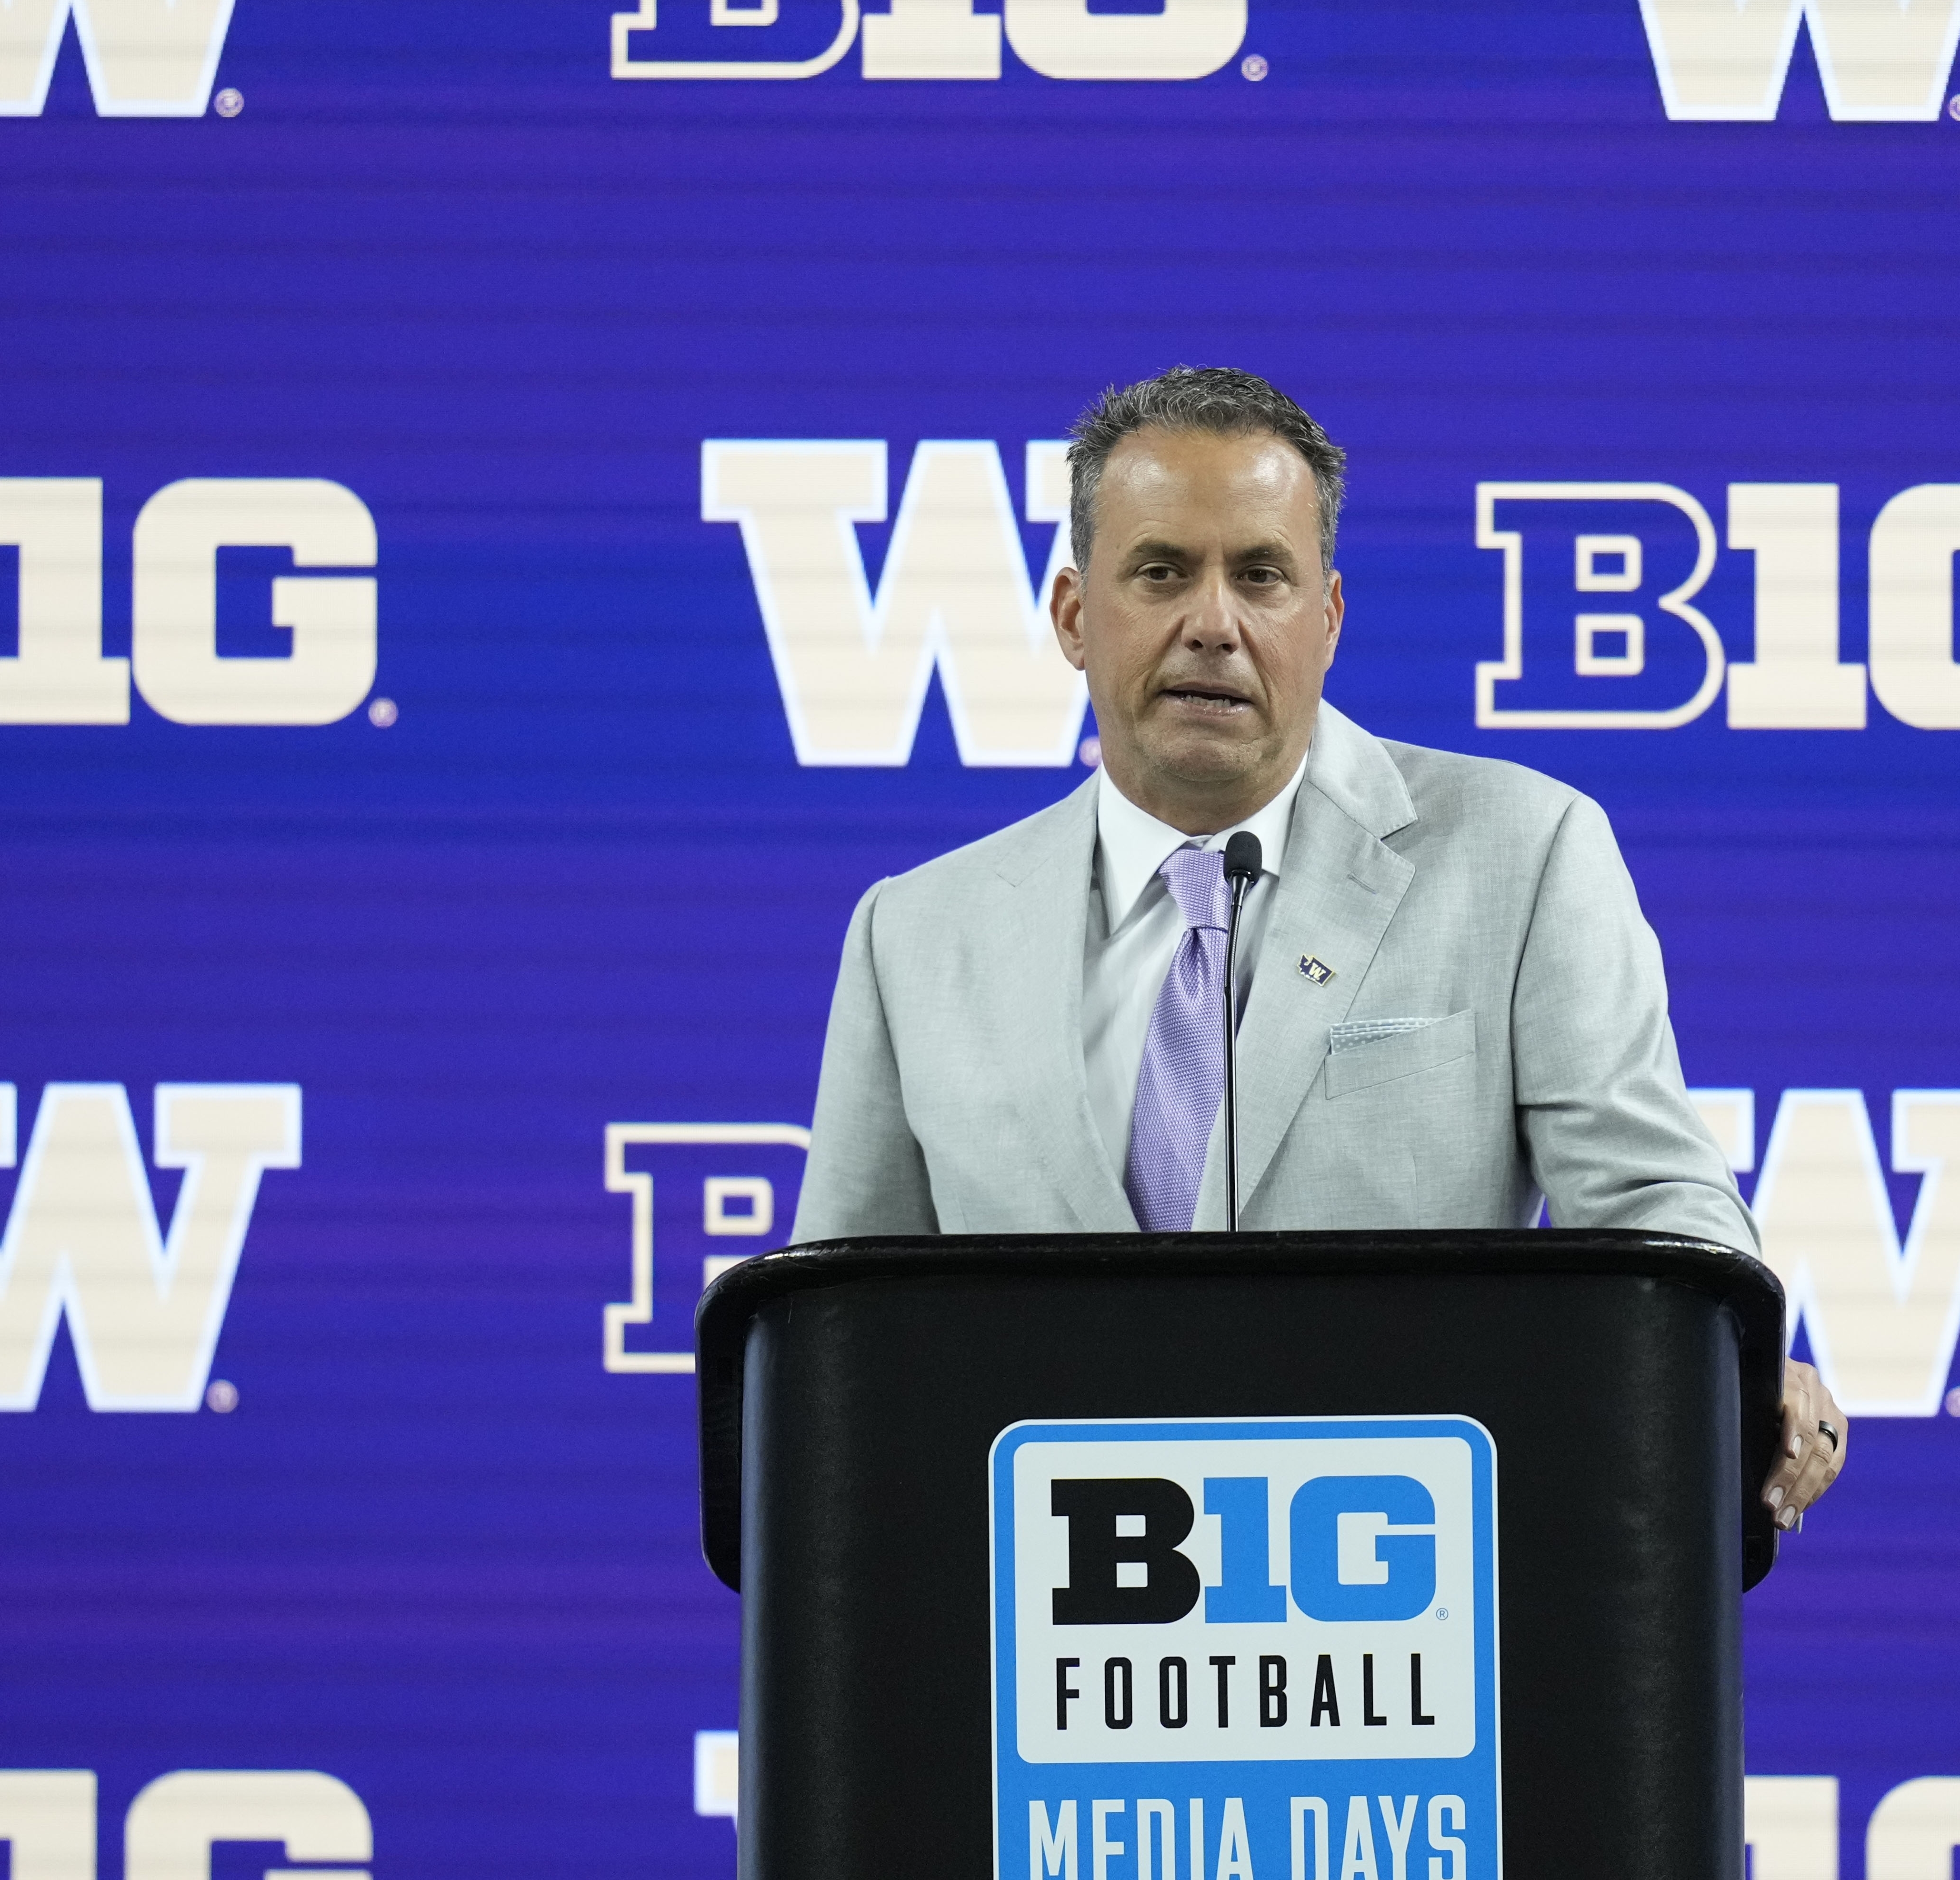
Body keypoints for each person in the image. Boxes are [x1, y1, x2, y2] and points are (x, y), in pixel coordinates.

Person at [791, 367, 1847, 1530]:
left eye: (1259, 575)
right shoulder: (917, 932)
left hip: (1395, 1597)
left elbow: (1655, 1201)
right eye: (1159, 572)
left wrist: (1731, 1356)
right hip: (1045, 1625)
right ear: (1075, 618)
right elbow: (838, 1332)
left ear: (1326, 618)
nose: (1212, 622)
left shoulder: (1521, 851)